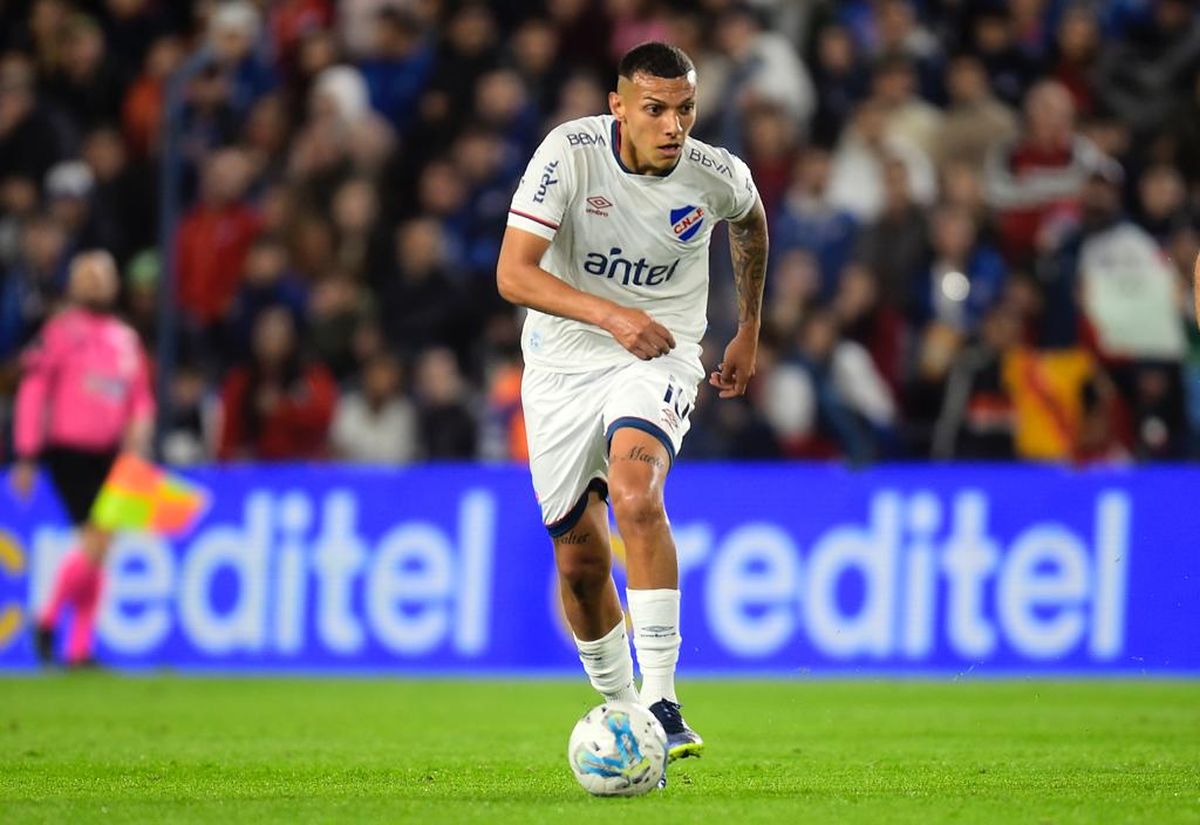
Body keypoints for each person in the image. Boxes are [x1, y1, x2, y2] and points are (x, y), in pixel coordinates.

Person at [496, 42, 768, 769]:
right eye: (655, 109)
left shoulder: (715, 175)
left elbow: (750, 219)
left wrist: (747, 326)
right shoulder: (569, 154)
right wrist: (610, 314)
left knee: (634, 493)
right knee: (579, 560)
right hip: (560, 364)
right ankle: (621, 707)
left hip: (661, 353)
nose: (673, 124)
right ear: (619, 107)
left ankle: (662, 698)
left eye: (684, 109)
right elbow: (513, 274)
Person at [10, 250, 155, 667]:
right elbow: (34, 392)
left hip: (113, 454)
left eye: (102, 276)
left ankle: (78, 648)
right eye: (87, 276)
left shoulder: (125, 340)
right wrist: (26, 452)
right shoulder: (58, 333)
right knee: (98, 539)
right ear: (73, 283)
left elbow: (140, 399)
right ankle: (49, 620)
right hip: (68, 450)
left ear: (114, 284)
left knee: (102, 547)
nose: (95, 284)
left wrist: (140, 431)